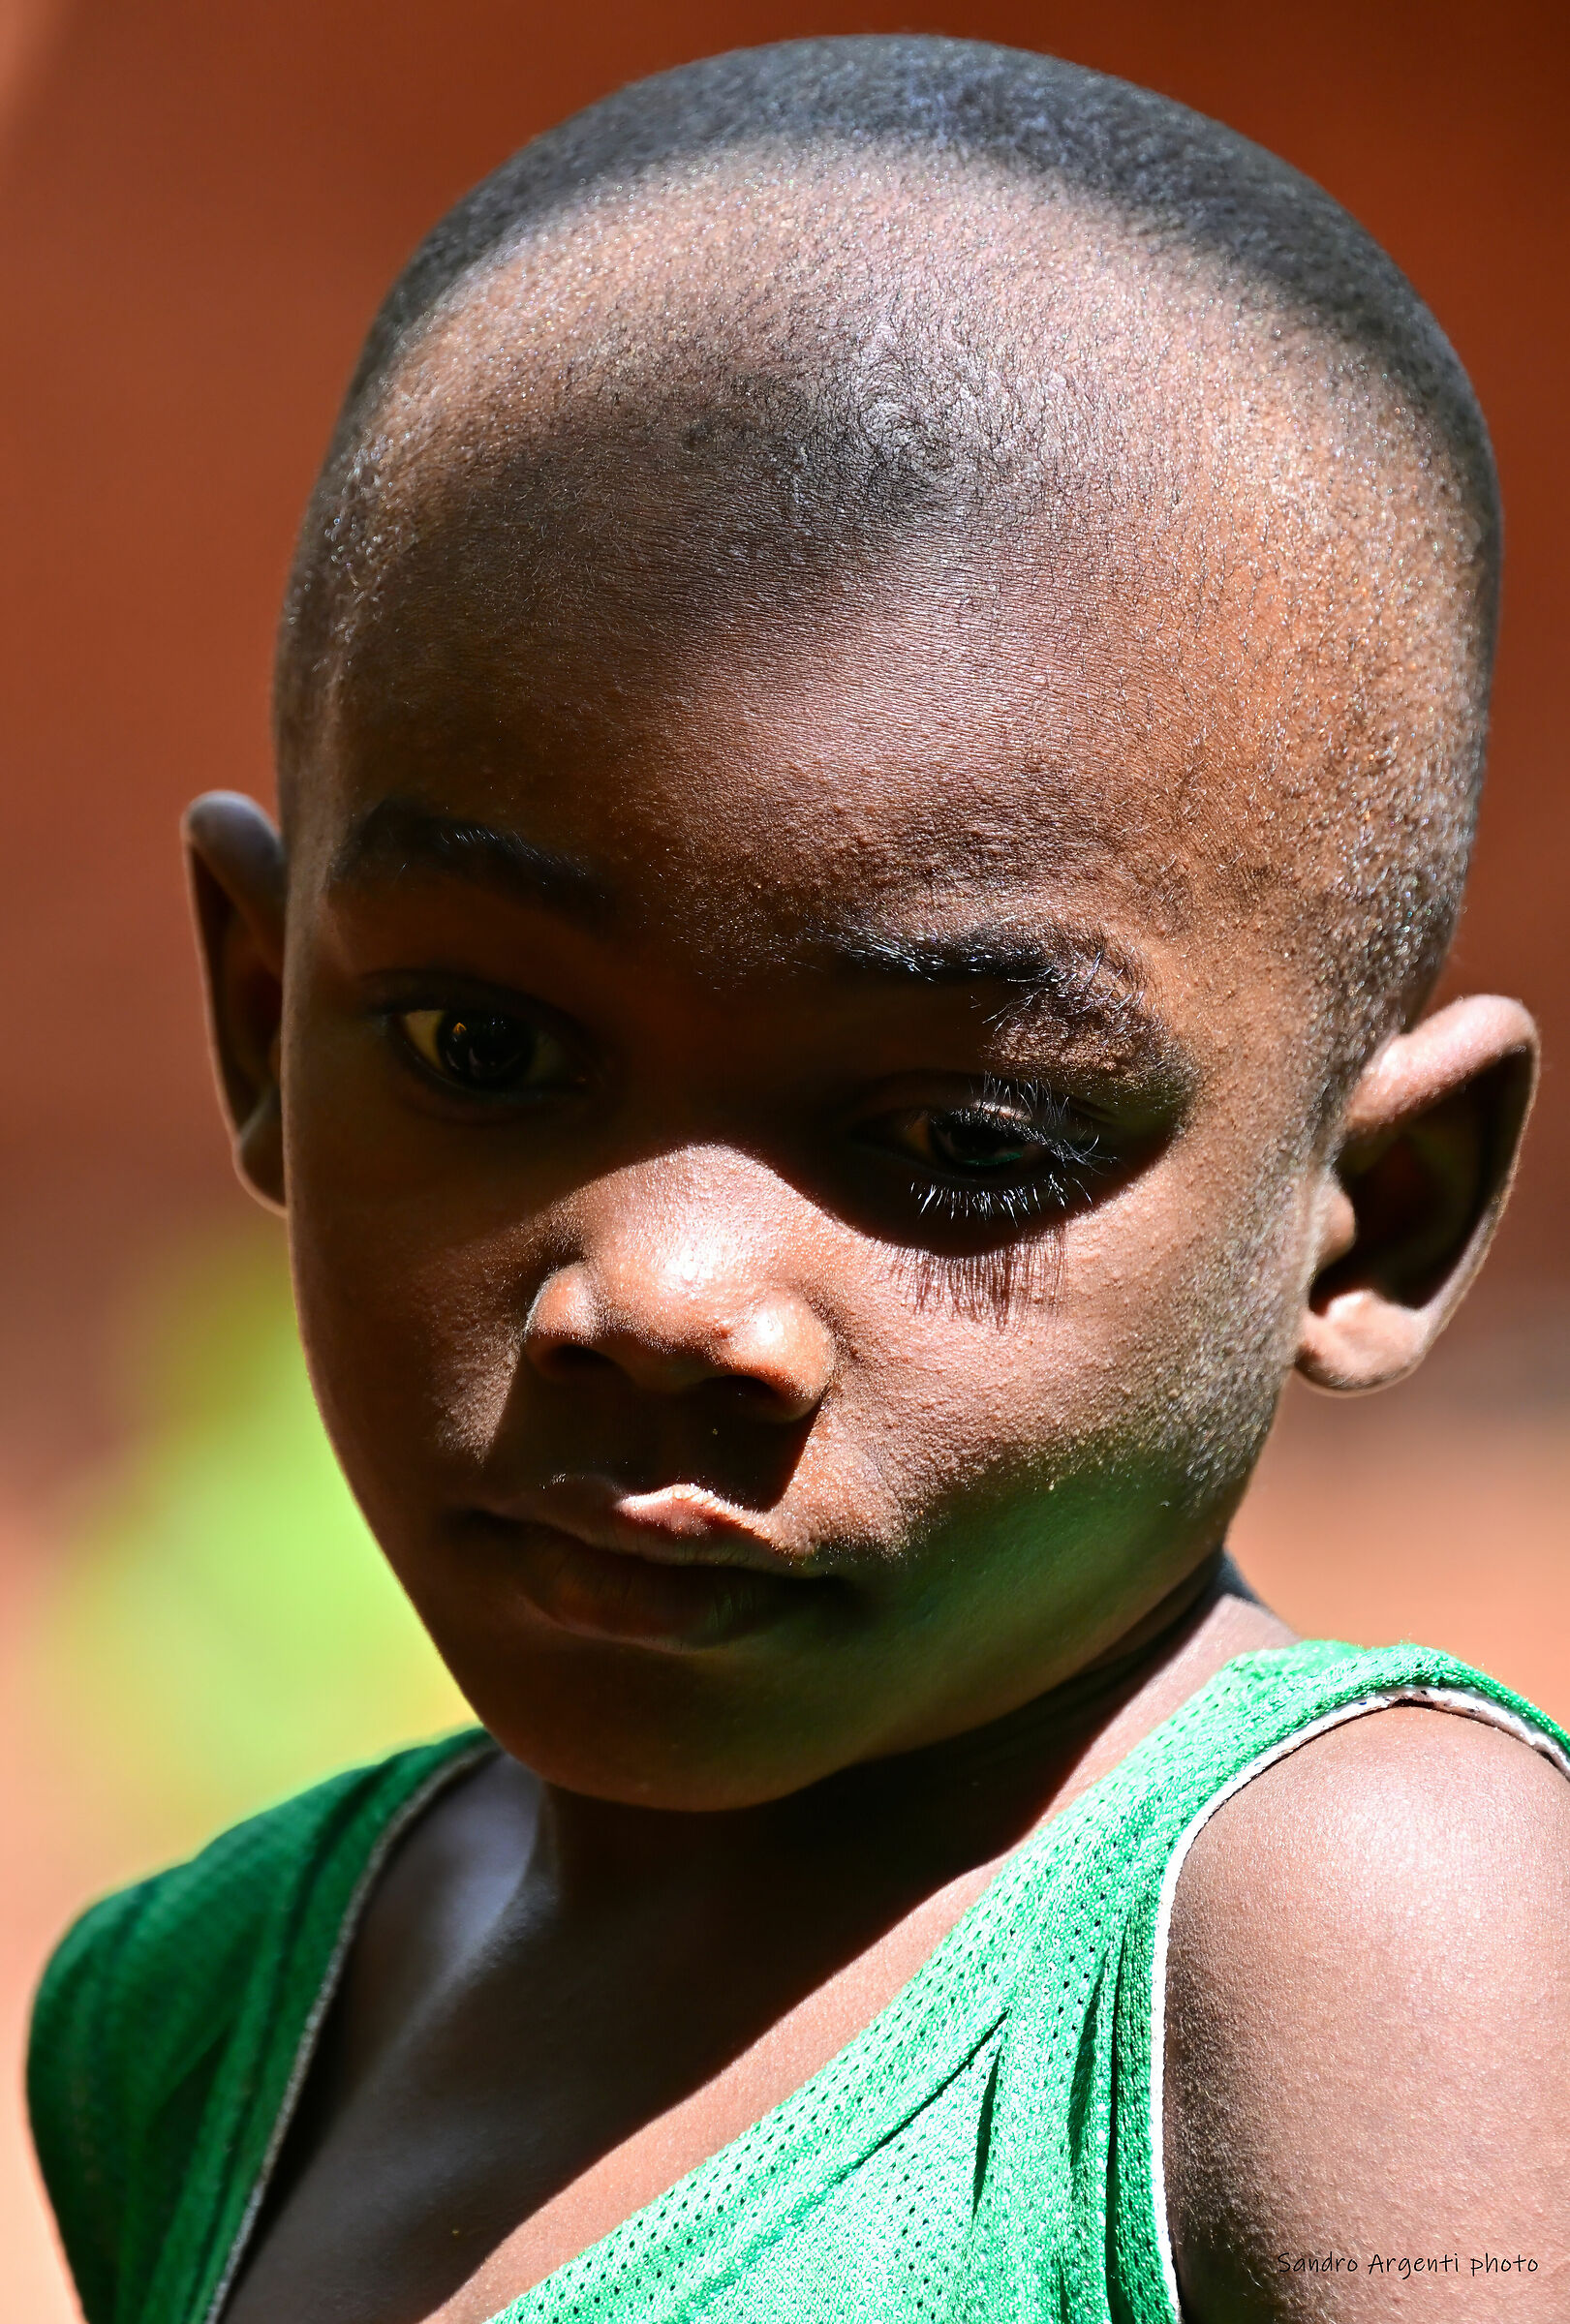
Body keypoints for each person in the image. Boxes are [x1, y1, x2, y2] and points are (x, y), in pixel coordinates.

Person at [27, 35, 1569, 2324]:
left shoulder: (1345, 1941)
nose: (659, 1296)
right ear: (261, 1017)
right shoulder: (202, 2012)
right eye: (484, 1046)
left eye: (959, 1142)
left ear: (1376, 1211)